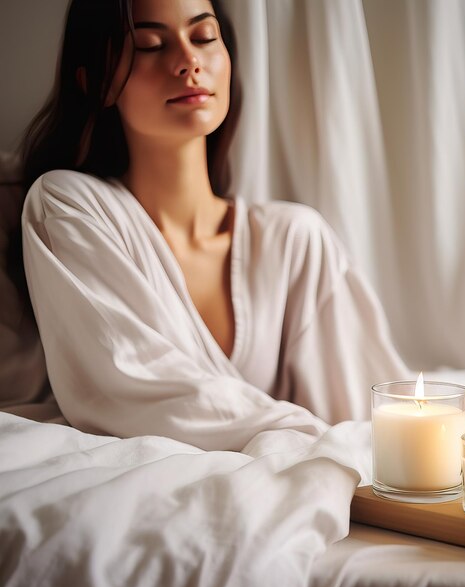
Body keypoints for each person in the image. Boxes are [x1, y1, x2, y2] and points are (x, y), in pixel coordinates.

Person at [20, 0, 410, 452]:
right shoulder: (68, 206)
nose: (188, 61)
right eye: (149, 45)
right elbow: (127, 389)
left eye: (204, 38)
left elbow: (371, 407)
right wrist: (309, 437)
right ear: (98, 82)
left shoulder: (294, 239)